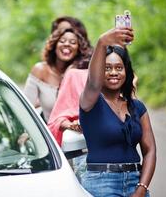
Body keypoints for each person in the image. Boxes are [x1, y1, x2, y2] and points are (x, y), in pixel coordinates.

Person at [79, 27, 156, 197]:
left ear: (126, 72)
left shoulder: (137, 107)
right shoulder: (90, 101)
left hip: (136, 182)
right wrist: (102, 42)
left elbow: (149, 150)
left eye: (119, 68)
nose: (113, 72)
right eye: (107, 68)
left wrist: (142, 188)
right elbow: (93, 83)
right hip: (101, 183)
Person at [23, 17, 92, 123]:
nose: (67, 44)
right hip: (50, 135)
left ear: (79, 49)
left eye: (73, 42)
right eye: (62, 41)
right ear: (54, 45)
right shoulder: (40, 70)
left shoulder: (83, 73)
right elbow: (25, 109)